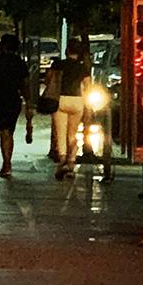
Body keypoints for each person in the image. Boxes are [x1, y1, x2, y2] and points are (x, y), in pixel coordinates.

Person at [0, 33, 30, 177]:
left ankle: (7, 164)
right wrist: (29, 103)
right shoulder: (19, 62)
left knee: (4, 132)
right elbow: (24, 85)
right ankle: (7, 162)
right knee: (10, 132)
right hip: (14, 100)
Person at [53, 38, 90, 179]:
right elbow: (88, 86)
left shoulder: (59, 65)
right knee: (72, 133)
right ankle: (71, 163)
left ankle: (62, 159)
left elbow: (49, 80)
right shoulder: (83, 68)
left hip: (61, 100)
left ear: (67, 50)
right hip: (77, 101)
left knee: (60, 132)